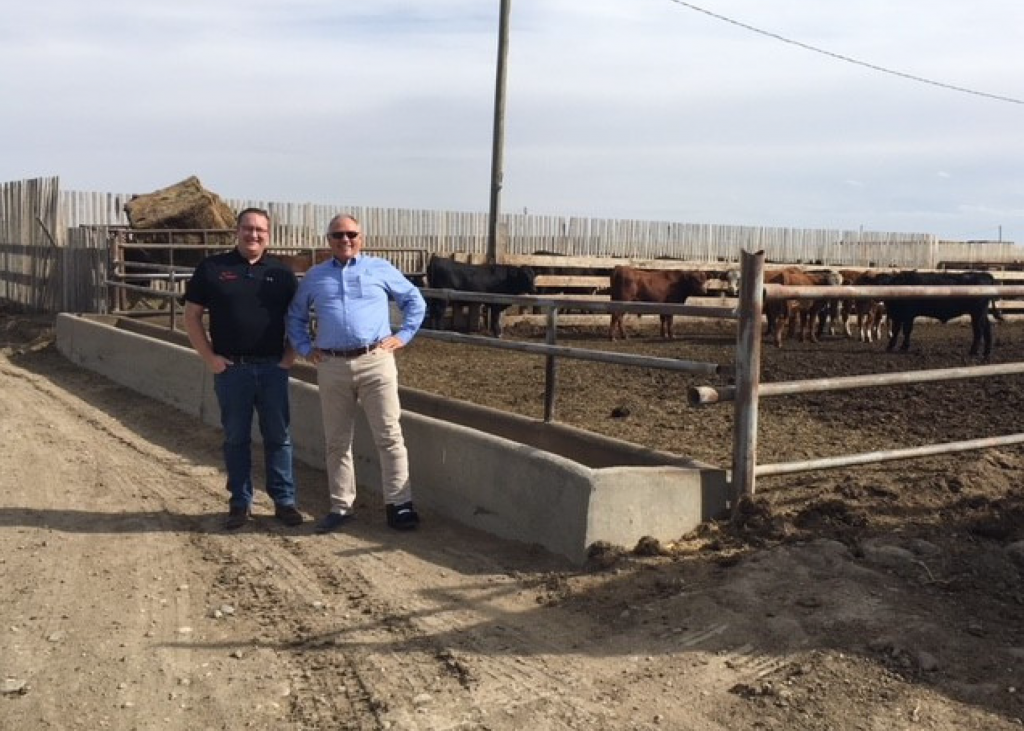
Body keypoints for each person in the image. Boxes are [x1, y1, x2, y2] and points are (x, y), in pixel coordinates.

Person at [286, 213, 426, 533]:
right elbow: (294, 317)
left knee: (389, 434)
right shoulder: (314, 276)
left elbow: (413, 300)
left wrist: (402, 336)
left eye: (351, 234)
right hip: (332, 365)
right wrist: (306, 350)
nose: (345, 240)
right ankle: (341, 505)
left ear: (361, 237)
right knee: (337, 439)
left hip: (375, 359)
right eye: (338, 235)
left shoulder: (380, 268)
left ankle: (399, 504)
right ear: (329, 240)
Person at [183, 207, 303, 530]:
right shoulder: (213, 268)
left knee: (279, 436)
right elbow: (192, 316)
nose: (254, 235)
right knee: (236, 437)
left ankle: (284, 501)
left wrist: (290, 356)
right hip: (232, 369)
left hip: (272, 369)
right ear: (236, 231)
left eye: (260, 230)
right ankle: (240, 502)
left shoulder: (282, 273)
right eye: (248, 229)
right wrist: (210, 358)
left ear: (268, 235)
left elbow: (298, 318)